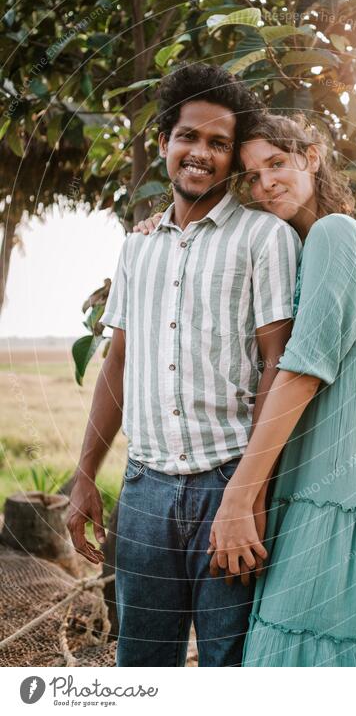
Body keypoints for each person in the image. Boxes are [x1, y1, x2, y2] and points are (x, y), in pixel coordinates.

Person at [139, 112, 356, 667]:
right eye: (253, 175)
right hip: (319, 494)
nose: (266, 185)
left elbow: (301, 370)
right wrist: (165, 229)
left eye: (278, 164)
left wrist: (239, 495)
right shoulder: (311, 245)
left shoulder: (335, 235)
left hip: (328, 504)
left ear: (311, 158)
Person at [66, 64, 301, 667]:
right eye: (189, 137)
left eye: (219, 144)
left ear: (231, 158)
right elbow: (117, 366)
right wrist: (86, 474)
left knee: (227, 664)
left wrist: (247, 497)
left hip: (228, 482)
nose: (201, 153)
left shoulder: (263, 238)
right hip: (143, 491)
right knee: (141, 665)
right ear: (166, 141)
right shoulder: (137, 246)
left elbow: (279, 364)